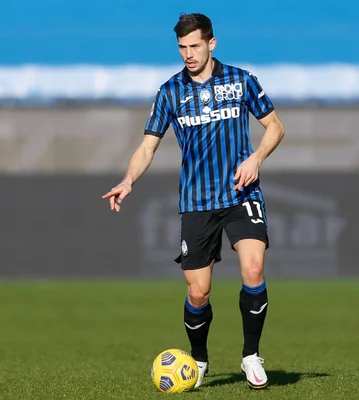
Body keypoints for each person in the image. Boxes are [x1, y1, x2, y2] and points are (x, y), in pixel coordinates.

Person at [101, 12, 285, 390]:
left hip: (240, 193)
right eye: (182, 47)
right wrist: (128, 179)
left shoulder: (242, 80)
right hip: (197, 202)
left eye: (195, 46)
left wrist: (255, 159)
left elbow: (275, 127)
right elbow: (147, 146)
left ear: (211, 43)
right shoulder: (170, 92)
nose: (188, 53)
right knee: (198, 291)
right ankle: (198, 360)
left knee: (253, 269)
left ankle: (251, 355)